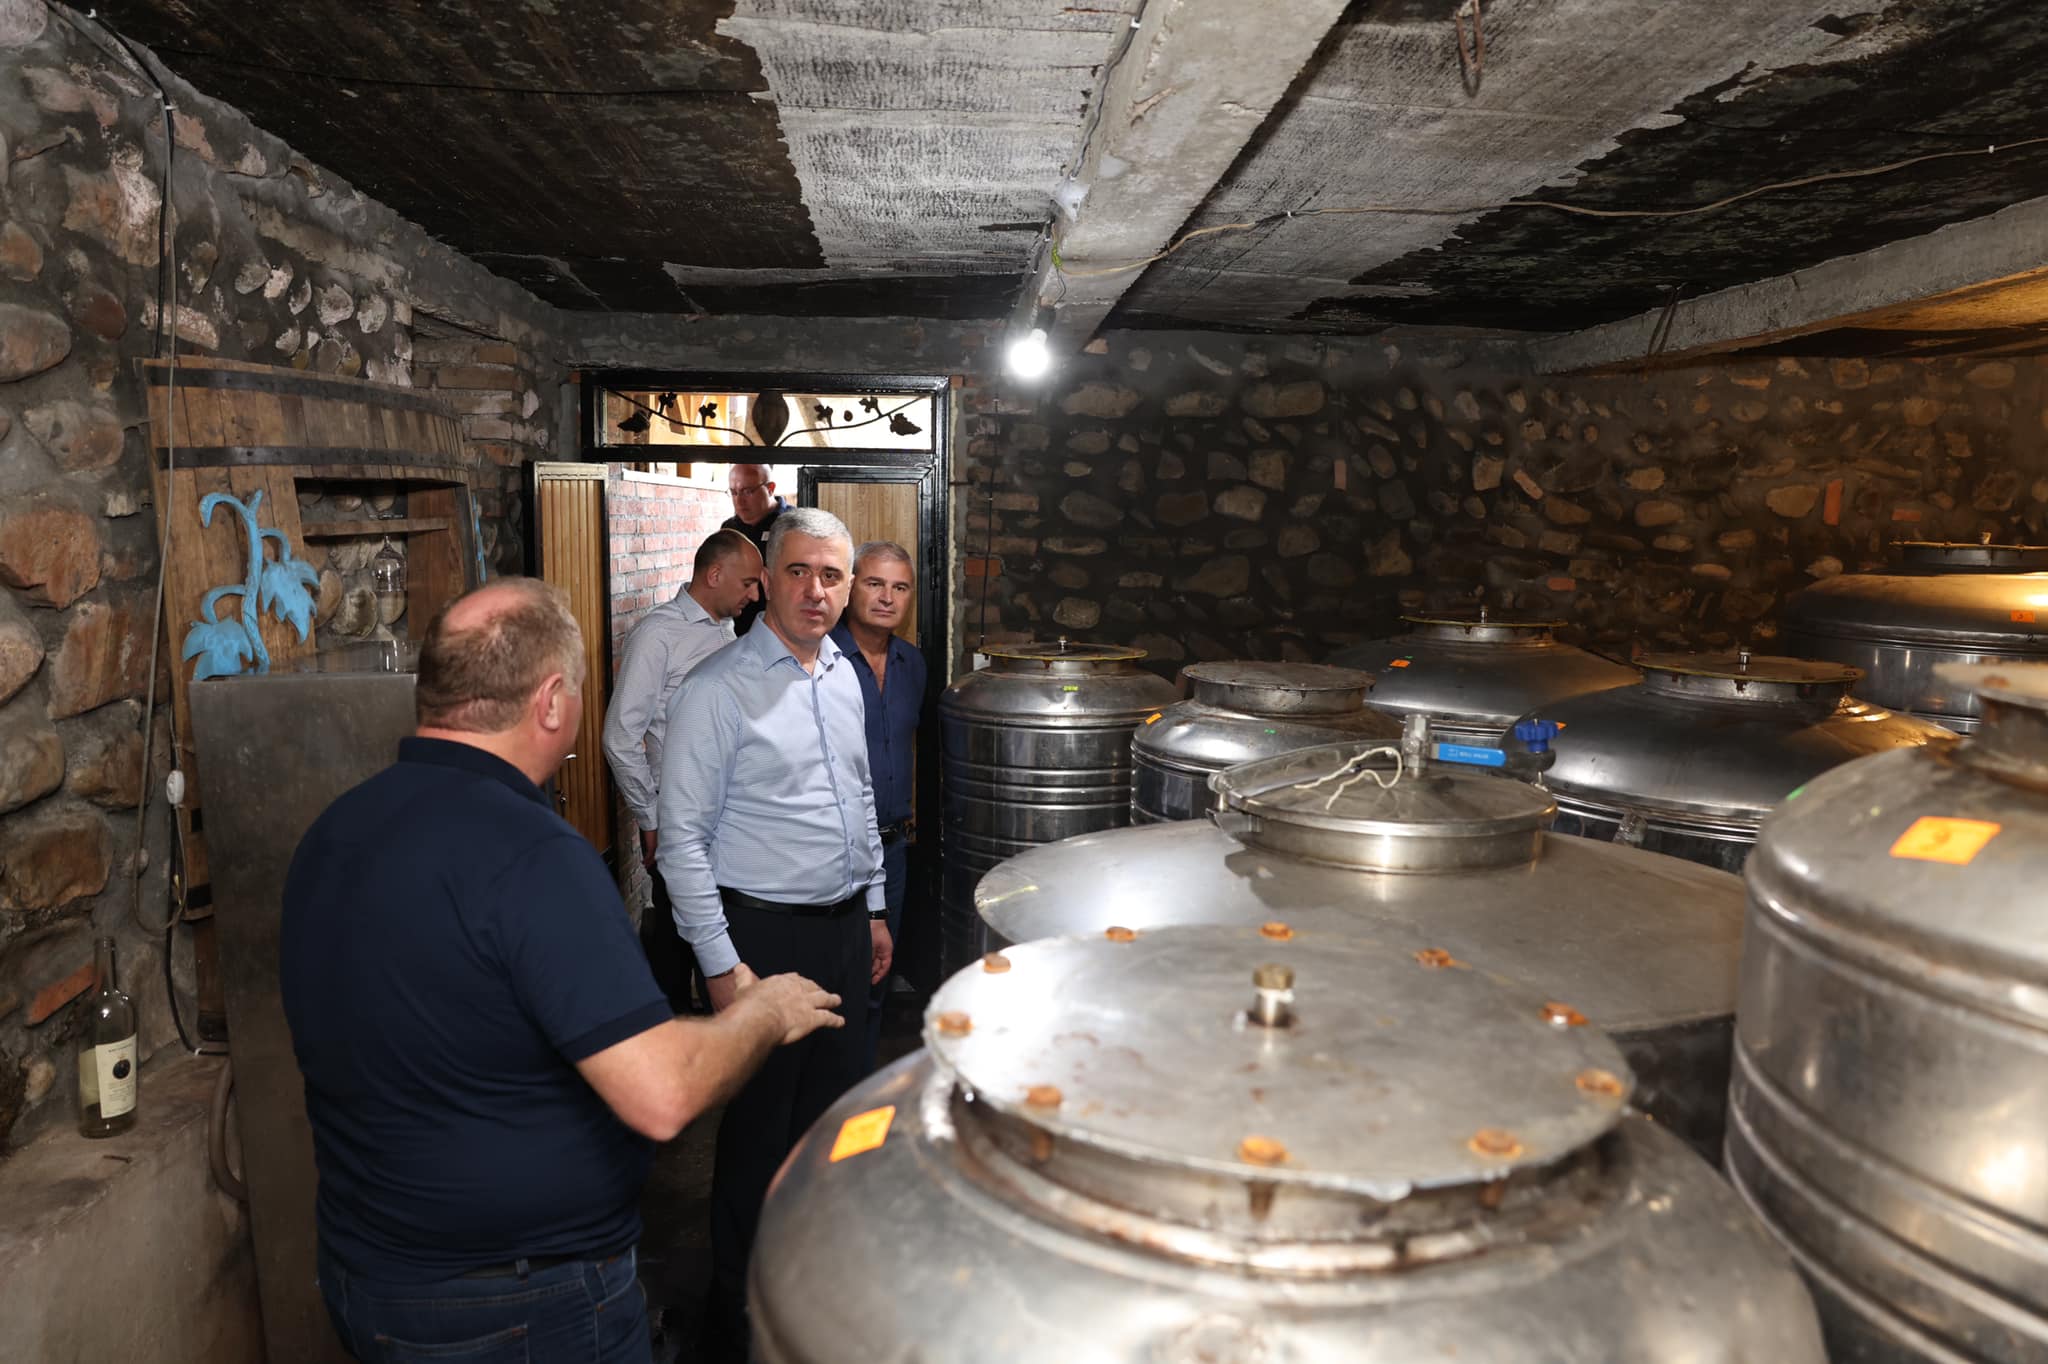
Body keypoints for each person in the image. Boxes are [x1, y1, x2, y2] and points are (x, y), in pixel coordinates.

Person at [281, 577, 841, 1364]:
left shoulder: (335, 830)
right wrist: (763, 1012)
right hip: (517, 1306)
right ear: (550, 703)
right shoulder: (534, 855)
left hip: (364, 1273)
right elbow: (661, 1092)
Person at [655, 507, 887, 1357]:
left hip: (843, 932)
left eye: (831, 575)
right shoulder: (716, 690)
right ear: (767, 583)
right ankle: (741, 1316)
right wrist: (722, 969)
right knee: (758, 1137)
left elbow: (859, 797)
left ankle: (816, 1293)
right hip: (761, 940)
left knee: (836, 1124)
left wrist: (874, 907)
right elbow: (680, 842)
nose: (816, 591)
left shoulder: (844, 675)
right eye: (798, 572)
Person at [602, 529, 763, 1010]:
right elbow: (620, 736)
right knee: (677, 955)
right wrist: (650, 818)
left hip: (730, 824)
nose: (755, 595)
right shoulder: (658, 634)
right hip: (678, 823)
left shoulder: (725, 629)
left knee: (724, 949)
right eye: (748, 583)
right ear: (714, 575)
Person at [827, 540, 928, 1069]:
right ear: (850, 588)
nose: (887, 597)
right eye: (874, 583)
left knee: (876, 983)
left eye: (900, 587)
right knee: (832, 986)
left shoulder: (913, 664)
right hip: (830, 848)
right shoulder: (819, 660)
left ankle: (858, 1094)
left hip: (892, 852)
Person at [720, 463, 783, 636]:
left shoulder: (792, 525)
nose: (739, 501)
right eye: (734, 492)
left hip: (779, 631)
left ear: (770, 488)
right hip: (736, 631)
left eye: (747, 491)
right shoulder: (729, 528)